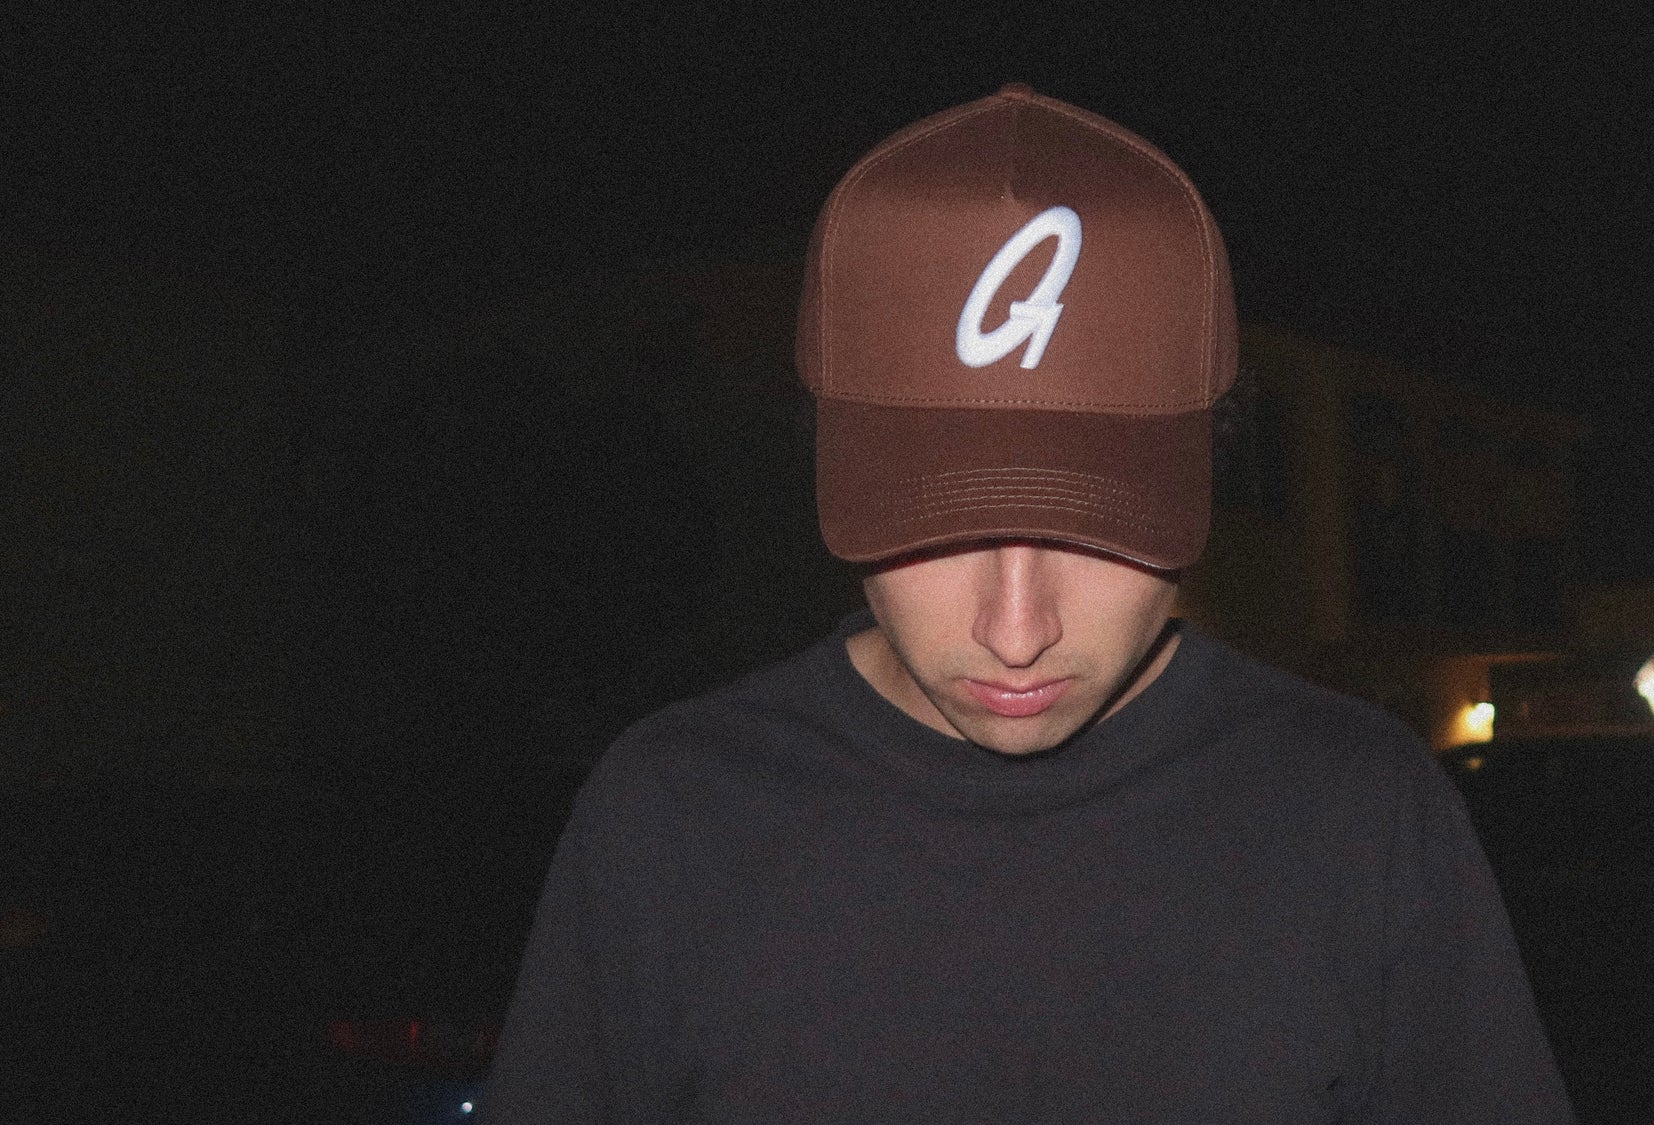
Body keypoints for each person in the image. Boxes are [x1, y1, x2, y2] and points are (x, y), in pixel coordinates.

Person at [485, 83, 1572, 1123]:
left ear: (1211, 464)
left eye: (1096, 530)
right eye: (937, 525)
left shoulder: (1362, 817)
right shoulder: (669, 820)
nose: (1016, 631)